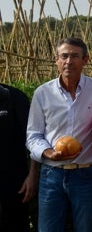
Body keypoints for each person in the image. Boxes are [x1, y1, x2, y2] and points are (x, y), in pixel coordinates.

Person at [26, 37, 92, 232]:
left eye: (74, 56)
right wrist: (48, 152)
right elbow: (33, 135)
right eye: (64, 56)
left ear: (85, 60)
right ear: (56, 60)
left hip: (86, 173)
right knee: (48, 228)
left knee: (85, 227)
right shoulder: (43, 93)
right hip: (51, 173)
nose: (68, 61)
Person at [0, 83, 39, 232]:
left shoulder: (14, 97)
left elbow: (33, 138)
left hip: (14, 184)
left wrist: (32, 175)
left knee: (15, 224)